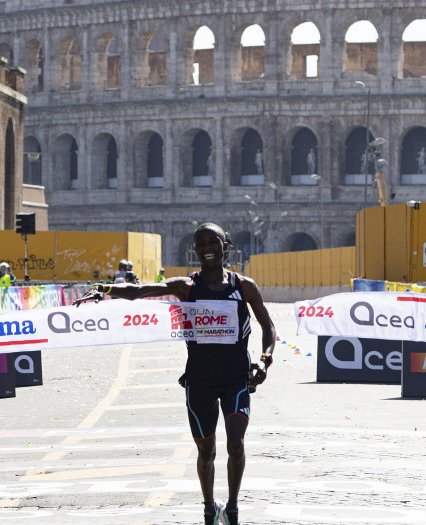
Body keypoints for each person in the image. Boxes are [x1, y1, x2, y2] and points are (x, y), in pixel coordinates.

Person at [76, 222, 276, 525]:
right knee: (206, 450)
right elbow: (138, 291)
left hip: (236, 377)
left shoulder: (243, 286)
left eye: (213, 242)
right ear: (195, 249)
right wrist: (104, 289)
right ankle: (210, 507)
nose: (207, 247)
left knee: (236, 443)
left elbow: (268, 326)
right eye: (200, 243)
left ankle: (232, 507)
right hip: (199, 381)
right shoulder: (187, 286)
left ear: (225, 246)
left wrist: (264, 360)